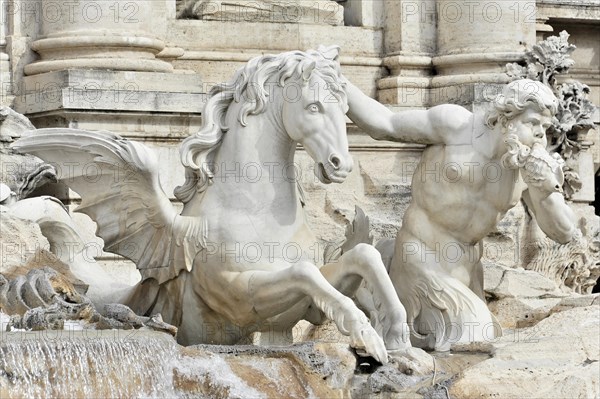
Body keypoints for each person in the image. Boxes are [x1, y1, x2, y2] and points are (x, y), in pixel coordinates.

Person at [344, 79, 577, 350]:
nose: (540, 135)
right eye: (533, 123)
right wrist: (338, 83)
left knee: (481, 340)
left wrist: (545, 188)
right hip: (419, 257)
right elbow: (385, 124)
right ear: (505, 118)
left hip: (467, 272)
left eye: (545, 128)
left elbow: (563, 232)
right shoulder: (457, 126)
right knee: (473, 334)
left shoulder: (524, 167)